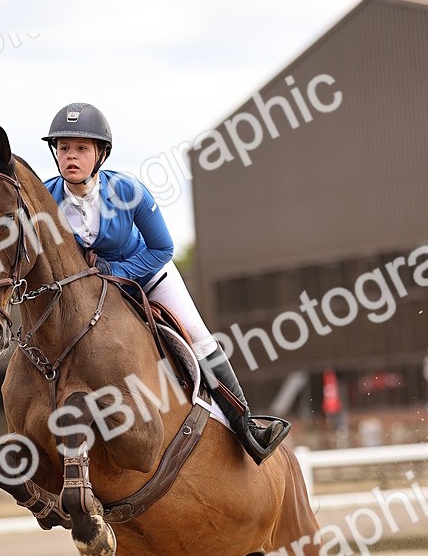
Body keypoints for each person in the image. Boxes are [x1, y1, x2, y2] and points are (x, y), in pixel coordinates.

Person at [42, 102, 290, 465]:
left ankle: (247, 426)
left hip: (148, 275)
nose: (71, 157)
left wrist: (117, 273)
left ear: (101, 154)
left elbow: (163, 248)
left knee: (199, 337)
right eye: (64, 148)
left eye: (81, 148)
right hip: (88, 293)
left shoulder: (128, 191)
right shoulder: (46, 201)